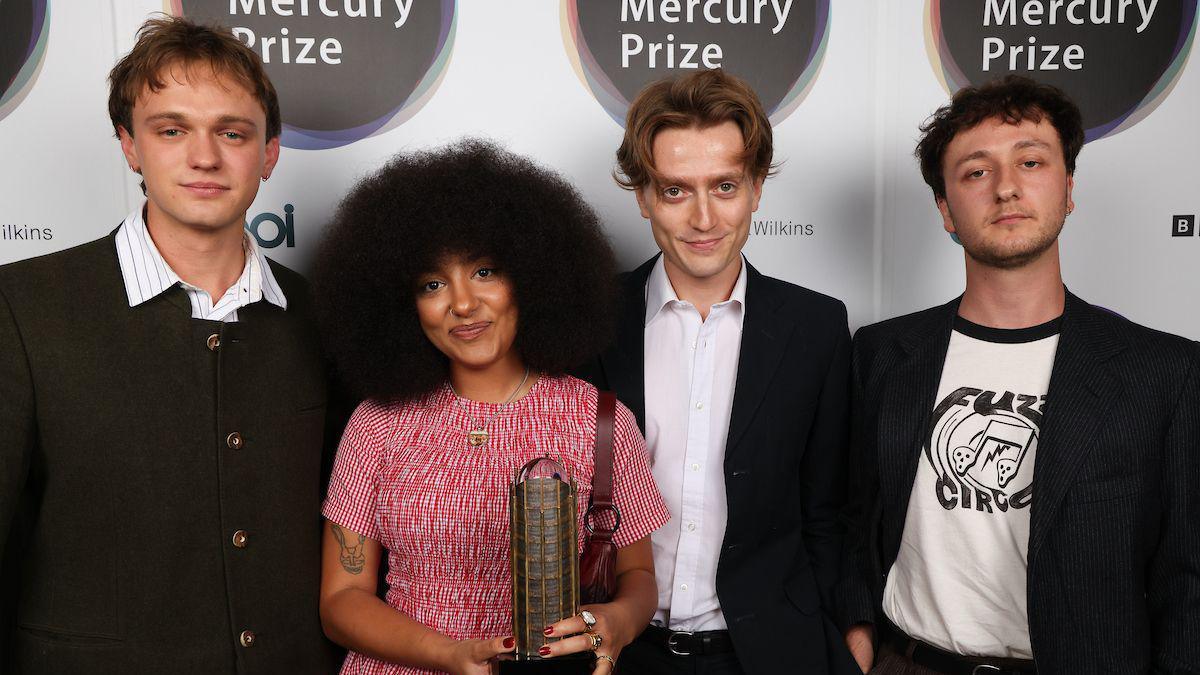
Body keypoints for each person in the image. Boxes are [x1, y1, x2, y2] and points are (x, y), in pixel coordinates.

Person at [0, 16, 340, 673]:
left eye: (232, 132)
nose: (204, 157)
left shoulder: (322, 317)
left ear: (269, 154)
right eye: (172, 129)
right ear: (130, 145)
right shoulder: (22, 306)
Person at [838, 75, 1200, 674]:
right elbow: (850, 518)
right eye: (976, 172)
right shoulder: (881, 353)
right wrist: (856, 631)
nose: (1006, 187)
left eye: (1030, 161)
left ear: (1068, 188)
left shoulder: (1164, 373)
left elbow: (1188, 582)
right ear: (945, 210)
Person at [313, 140, 671, 675]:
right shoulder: (378, 423)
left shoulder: (597, 418)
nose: (461, 303)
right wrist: (449, 654)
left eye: (484, 272)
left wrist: (617, 623)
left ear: (530, 275)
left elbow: (637, 576)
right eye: (433, 284)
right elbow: (341, 601)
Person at [576, 69, 859, 674]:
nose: (704, 218)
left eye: (725, 186)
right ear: (644, 196)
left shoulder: (817, 327)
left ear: (757, 188)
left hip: (770, 656)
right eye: (676, 191)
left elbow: (829, 511)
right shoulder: (586, 321)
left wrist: (847, 641)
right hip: (617, 654)